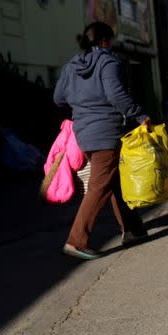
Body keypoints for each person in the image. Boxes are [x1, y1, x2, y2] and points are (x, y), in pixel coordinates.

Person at [53, 22, 148, 260]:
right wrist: (140, 115)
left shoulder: (71, 66)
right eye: (111, 41)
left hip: (84, 135)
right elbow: (116, 95)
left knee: (113, 181)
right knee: (99, 186)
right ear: (105, 41)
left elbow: (58, 98)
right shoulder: (108, 62)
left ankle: (133, 230)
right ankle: (77, 241)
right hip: (106, 132)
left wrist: (82, 106)